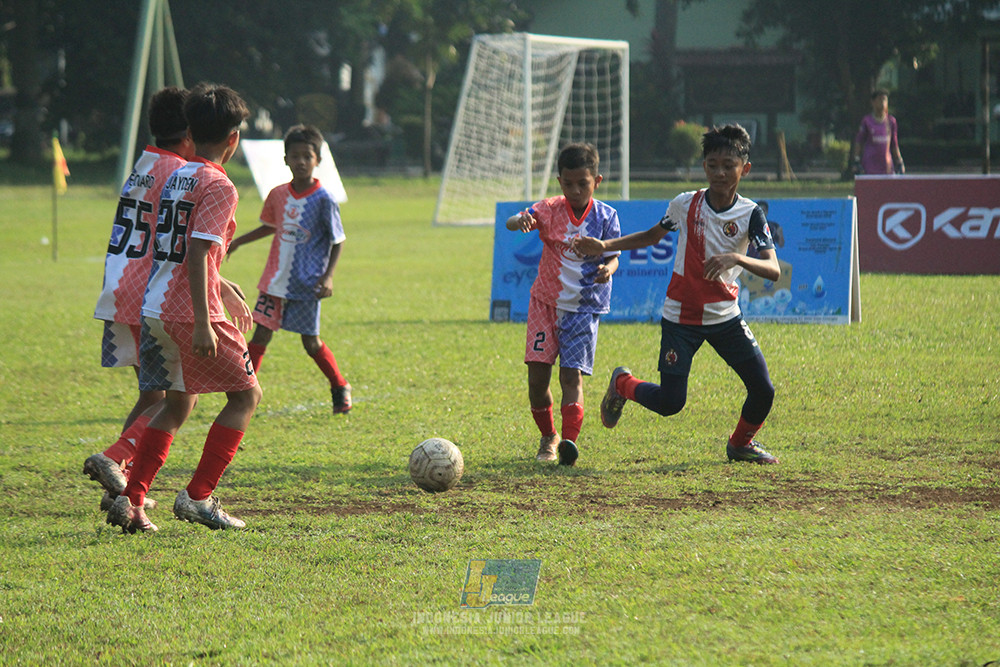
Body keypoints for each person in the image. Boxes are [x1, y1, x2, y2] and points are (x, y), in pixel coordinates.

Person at [572, 124, 781, 465]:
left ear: (745, 169)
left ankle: (740, 444)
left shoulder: (751, 214)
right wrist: (604, 245)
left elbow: (772, 269)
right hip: (681, 318)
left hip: (726, 317)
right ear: (704, 167)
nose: (720, 172)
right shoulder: (686, 204)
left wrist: (736, 257)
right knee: (671, 403)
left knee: (763, 390)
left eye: (729, 165)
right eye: (712, 164)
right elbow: (652, 236)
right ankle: (623, 384)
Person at [106, 82, 261, 533]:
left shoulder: (177, 175)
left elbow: (178, 249)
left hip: (153, 304)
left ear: (190, 131)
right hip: (189, 310)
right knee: (246, 396)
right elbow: (195, 253)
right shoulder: (220, 184)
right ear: (233, 139)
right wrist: (202, 320)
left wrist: (223, 284)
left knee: (174, 404)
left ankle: (132, 502)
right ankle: (198, 497)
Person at [85, 87, 196, 511]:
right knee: (177, 399)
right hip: (149, 293)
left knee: (152, 395)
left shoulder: (146, 163)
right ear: (190, 131)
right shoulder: (178, 171)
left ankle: (122, 481)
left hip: (120, 287)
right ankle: (115, 458)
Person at [505, 142, 621, 467]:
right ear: (559, 182)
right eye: (568, 184)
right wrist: (521, 221)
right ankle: (548, 436)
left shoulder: (606, 217)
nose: (574, 190)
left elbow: (614, 259)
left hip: (583, 309)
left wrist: (606, 270)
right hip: (544, 305)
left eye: (582, 184)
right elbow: (513, 222)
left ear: (596, 181)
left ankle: (569, 443)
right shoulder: (549, 208)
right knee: (537, 380)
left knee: (572, 378)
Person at [226, 124, 352, 413]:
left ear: (317, 160)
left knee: (310, 343)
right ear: (285, 159)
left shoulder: (324, 200)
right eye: (295, 156)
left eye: (307, 156)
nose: (301, 162)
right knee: (260, 336)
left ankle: (339, 384)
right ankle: (246, 393)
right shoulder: (278, 194)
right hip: (274, 280)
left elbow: (337, 240)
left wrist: (328, 276)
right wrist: (239, 242)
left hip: (307, 284)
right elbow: (270, 226)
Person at [852, 89, 904, 175]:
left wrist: (899, 161)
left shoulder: (891, 121)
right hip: (870, 167)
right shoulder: (867, 121)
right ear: (873, 102)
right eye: (880, 99)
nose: (882, 102)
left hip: (886, 167)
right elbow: (859, 141)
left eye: (885, 99)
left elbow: (894, 144)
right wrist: (856, 161)